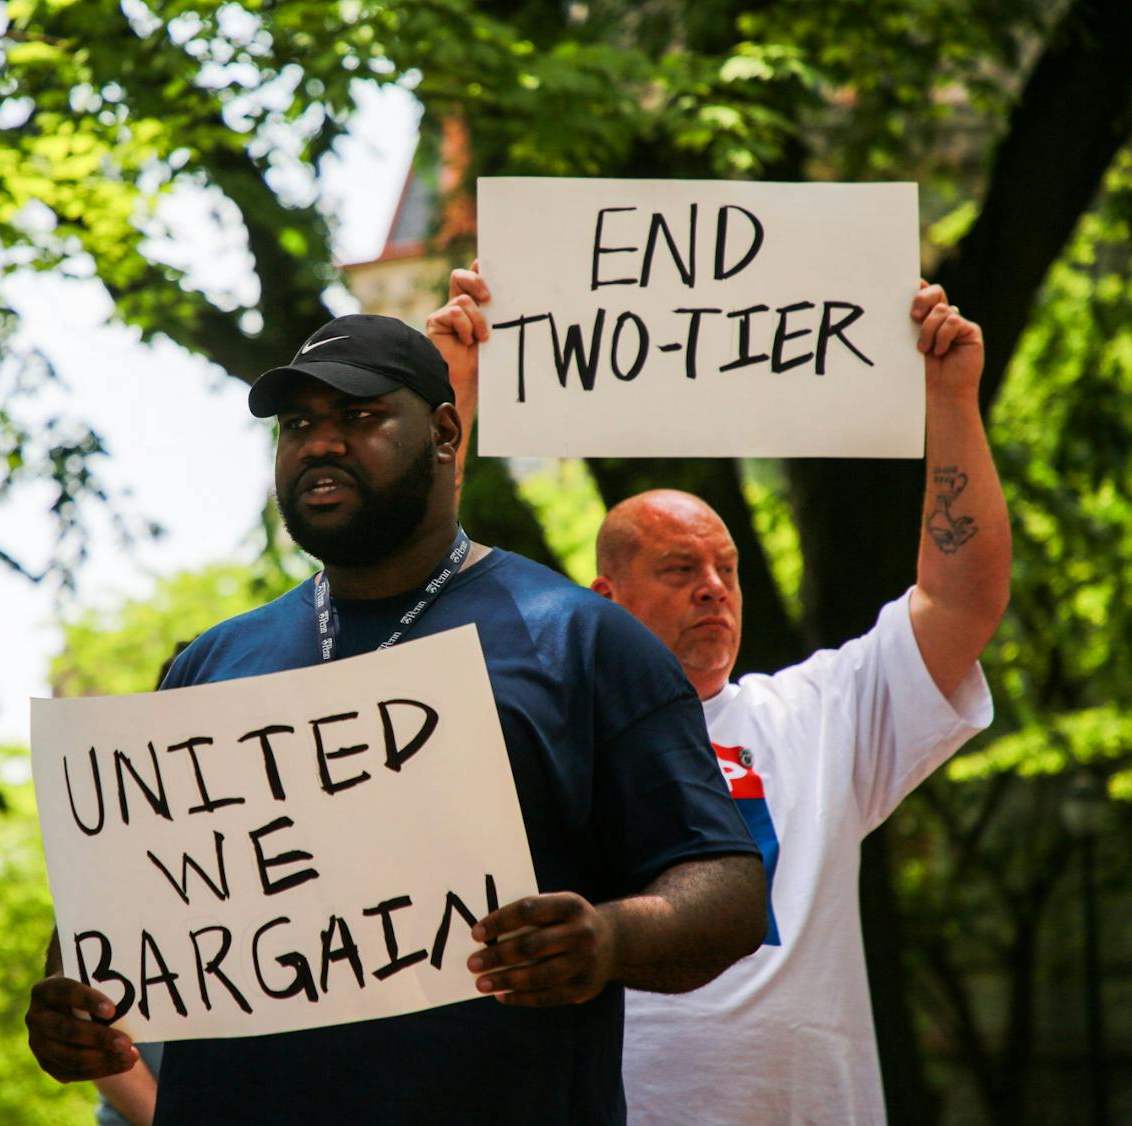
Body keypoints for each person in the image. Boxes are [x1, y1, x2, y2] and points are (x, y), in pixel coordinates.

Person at [27, 312, 768, 1124]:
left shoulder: (581, 643)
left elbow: (726, 889)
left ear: (446, 433)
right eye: (299, 424)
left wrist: (608, 939)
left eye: (360, 416)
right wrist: (75, 1008)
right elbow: (117, 928)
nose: (320, 443)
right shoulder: (210, 665)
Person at [427, 266, 1009, 1123]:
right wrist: (454, 394)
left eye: (727, 569)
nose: (714, 588)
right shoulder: (539, 735)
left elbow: (961, 601)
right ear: (605, 602)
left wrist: (950, 399)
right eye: (678, 569)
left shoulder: (821, 713)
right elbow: (418, 604)